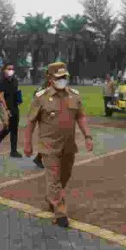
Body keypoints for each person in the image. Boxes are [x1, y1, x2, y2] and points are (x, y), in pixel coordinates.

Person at [24, 61, 94, 228]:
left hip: (68, 146)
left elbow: (81, 117)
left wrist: (88, 136)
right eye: (59, 77)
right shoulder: (40, 98)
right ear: (50, 78)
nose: (62, 79)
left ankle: (52, 199)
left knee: (64, 176)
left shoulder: (74, 95)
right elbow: (31, 122)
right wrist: (28, 144)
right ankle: (60, 213)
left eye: (64, 76)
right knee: (54, 178)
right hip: (49, 147)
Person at [0, 63, 22, 157]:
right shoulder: (1, 83)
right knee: (8, 127)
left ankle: (11, 149)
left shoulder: (15, 81)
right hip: (6, 107)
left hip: (14, 107)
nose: (10, 71)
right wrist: (5, 110)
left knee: (13, 128)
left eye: (12, 69)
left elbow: (17, 91)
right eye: (9, 69)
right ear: (4, 70)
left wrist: (19, 99)